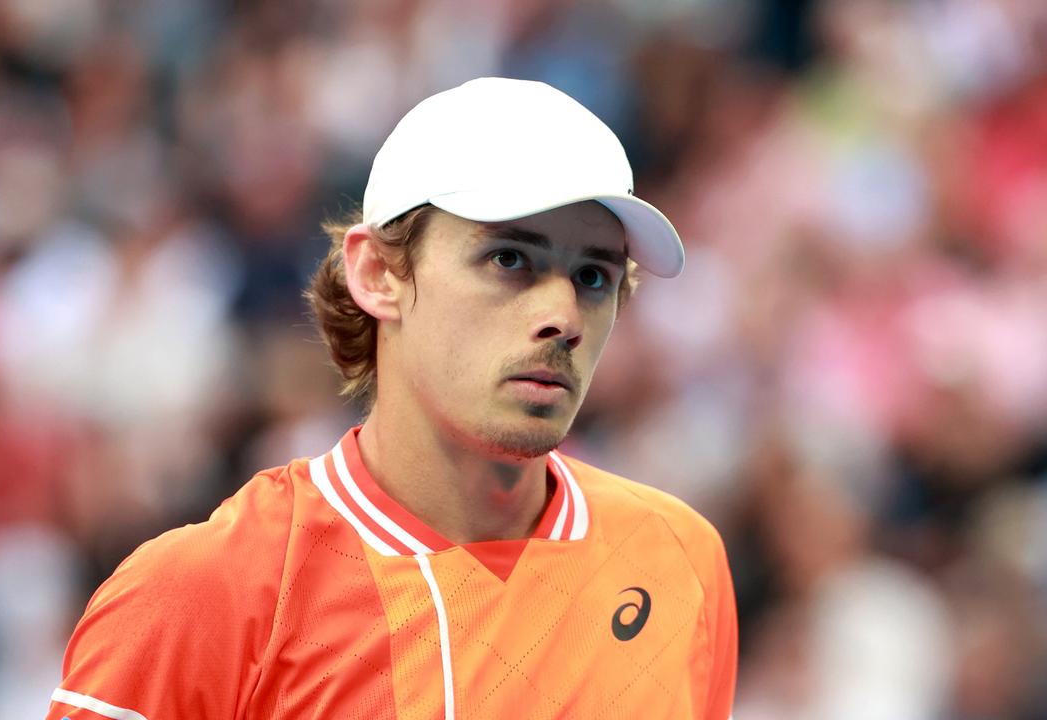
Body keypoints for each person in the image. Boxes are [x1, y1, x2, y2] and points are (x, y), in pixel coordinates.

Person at [45, 77, 737, 720]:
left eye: (594, 275)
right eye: (509, 259)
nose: (564, 315)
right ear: (376, 273)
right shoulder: (202, 593)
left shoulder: (682, 558)